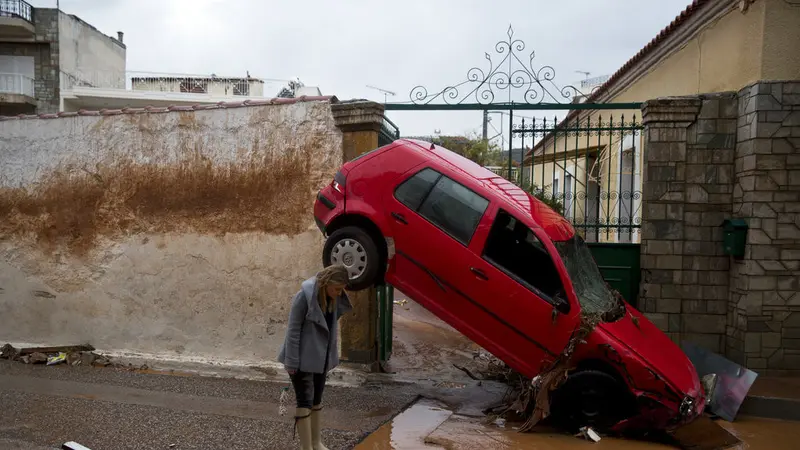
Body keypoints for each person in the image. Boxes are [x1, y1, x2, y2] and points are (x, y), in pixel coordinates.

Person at [278, 265, 352, 450]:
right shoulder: (303, 297)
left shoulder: (332, 300)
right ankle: (307, 447)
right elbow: (293, 331)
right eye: (336, 289)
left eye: (341, 289)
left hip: (321, 359)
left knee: (317, 399)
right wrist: (292, 362)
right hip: (301, 360)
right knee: (305, 400)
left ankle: (316, 443)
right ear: (326, 283)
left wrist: (331, 358)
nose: (338, 293)